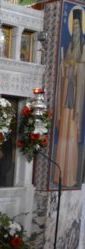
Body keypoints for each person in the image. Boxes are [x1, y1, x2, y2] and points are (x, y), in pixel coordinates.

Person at [54, 8, 84, 187]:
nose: (76, 29)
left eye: (78, 26)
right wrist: (65, 68)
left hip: (74, 103)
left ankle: (70, 176)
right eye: (74, 25)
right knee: (63, 135)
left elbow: (82, 76)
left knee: (71, 136)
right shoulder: (69, 49)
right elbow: (64, 73)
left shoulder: (82, 50)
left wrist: (75, 68)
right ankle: (59, 175)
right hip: (65, 99)